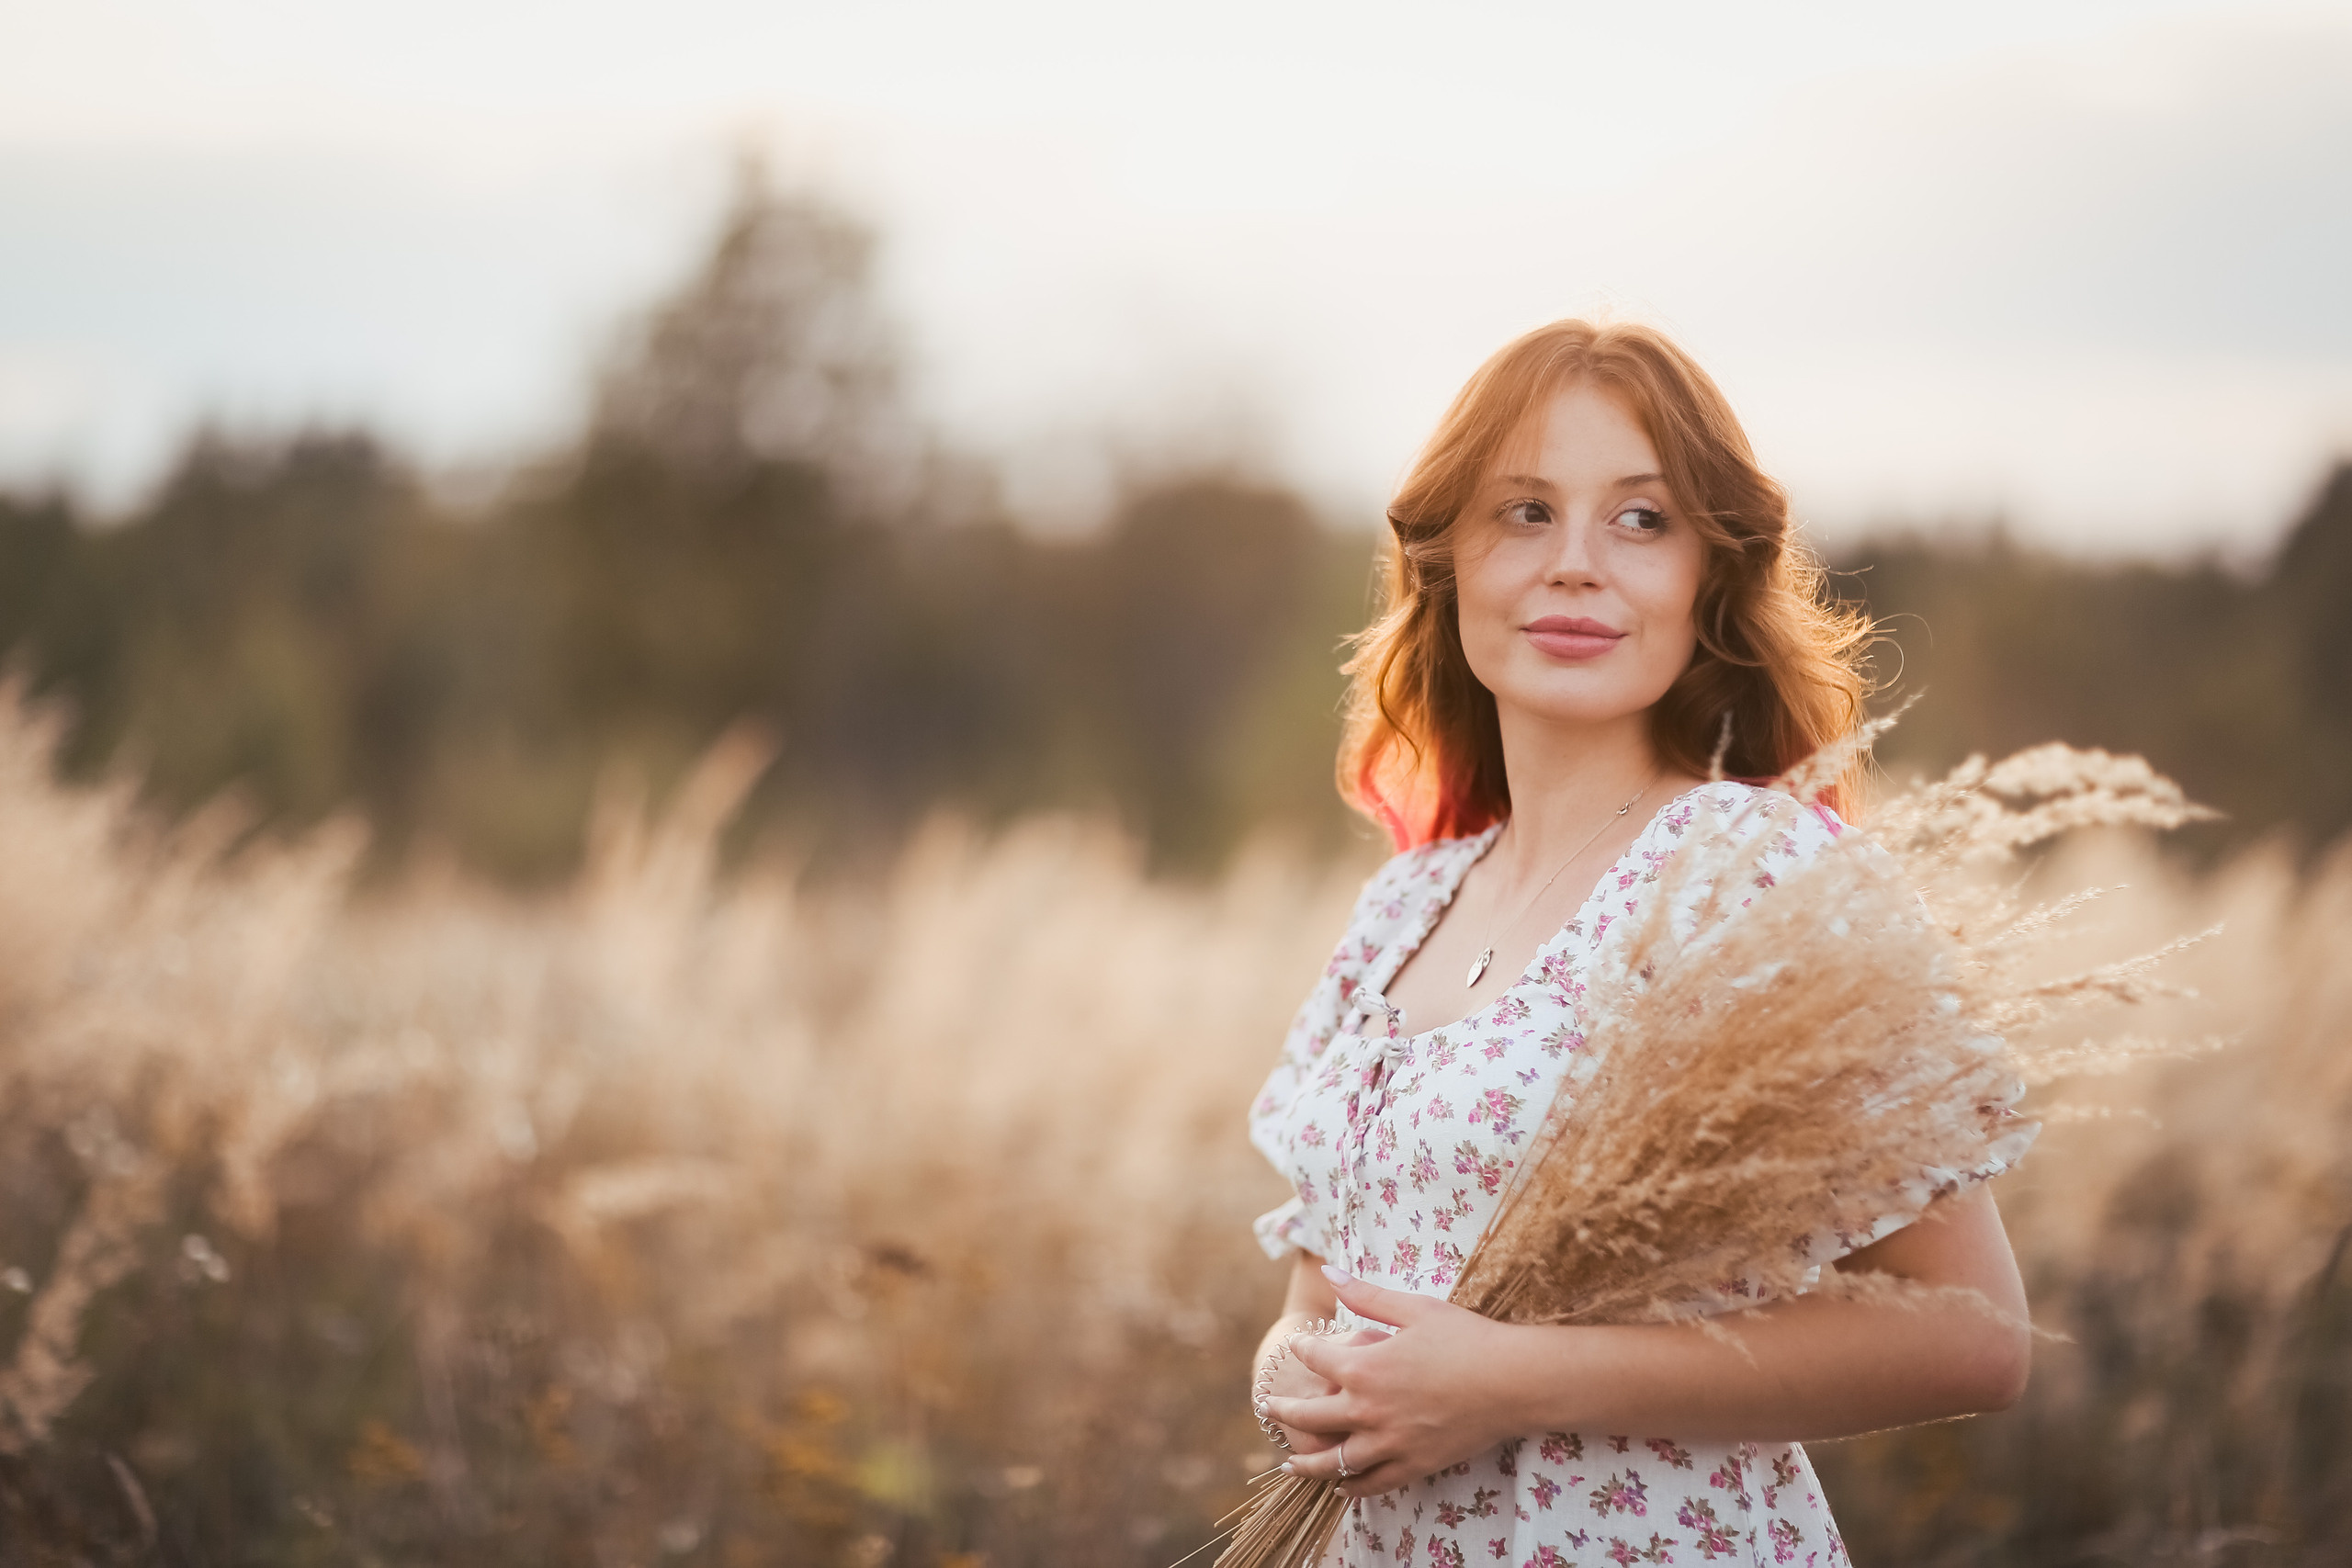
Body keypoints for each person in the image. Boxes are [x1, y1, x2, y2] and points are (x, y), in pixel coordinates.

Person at [1247, 320, 2032, 1566]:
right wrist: (1298, 1383)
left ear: (1707, 578)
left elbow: (1975, 1337)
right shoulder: (1402, 909)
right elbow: (1307, 1303)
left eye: (1640, 520)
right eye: (1522, 513)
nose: (1574, 566)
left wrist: (1509, 1382)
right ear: (1446, 560)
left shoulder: (1754, 876)